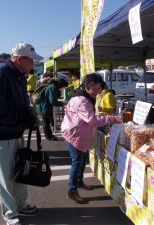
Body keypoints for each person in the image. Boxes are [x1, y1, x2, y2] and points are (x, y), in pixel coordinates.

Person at [0, 42, 42, 225]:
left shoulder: (20, 76)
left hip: (15, 131)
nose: (33, 64)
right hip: (0, 134)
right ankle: (9, 212)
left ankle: (20, 204)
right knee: (5, 177)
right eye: (30, 60)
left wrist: (29, 116)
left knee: (19, 170)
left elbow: (22, 103)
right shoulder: (1, 77)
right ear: (18, 59)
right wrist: (24, 120)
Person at [61, 73, 122, 204]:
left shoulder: (84, 96)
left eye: (99, 89)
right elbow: (92, 121)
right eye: (94, 89)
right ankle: (72, 190)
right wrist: (111, 118)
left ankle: (79, 181)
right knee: (77, 161)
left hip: (79, 133)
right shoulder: (81, 100)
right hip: (74, 134)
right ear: (86, 87)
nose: (97, 92)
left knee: (82, 160)